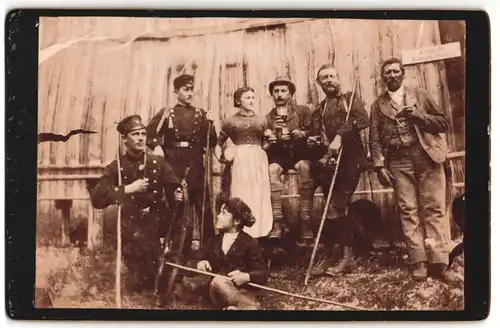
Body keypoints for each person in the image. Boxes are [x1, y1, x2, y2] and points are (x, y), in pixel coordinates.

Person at [369, 58, 456, 282]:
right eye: (387, 72)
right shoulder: (378, 105)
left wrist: (419, 117)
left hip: (426, 156)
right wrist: (379, 165)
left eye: (396, 71)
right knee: (408, 210)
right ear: (383, 77)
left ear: (403, 74)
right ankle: (418, 261)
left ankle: (441, 263)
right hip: (398, 162)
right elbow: (375, 140)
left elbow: (444, 123)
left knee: (434, 208)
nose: (392, 76)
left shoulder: (421, 95)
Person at [90, 115, 184, 293]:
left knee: (159, 278)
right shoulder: (115, 167)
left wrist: (178, 195)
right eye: (135, 134)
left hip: (156, 228)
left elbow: (175, 188)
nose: (141, 138)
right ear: (125, 139)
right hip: (130, 229)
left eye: (143, 133)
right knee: (136, 281)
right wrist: (128, 189)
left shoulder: (157, 162)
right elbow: (97, 199)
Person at [307, 64, 370, 276]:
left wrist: (340, 136)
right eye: (324, 78)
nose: (329, 80)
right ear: (319, 83)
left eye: (332, 76)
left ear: (338, 78)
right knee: (335, 209)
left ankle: (345, 257)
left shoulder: (349, 99)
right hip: (329, 165)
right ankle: (338, 255)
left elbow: (363, 120)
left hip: (350, 162)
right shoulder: (319, 109)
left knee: (335, 206)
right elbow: (316, 138)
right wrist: (313, 140)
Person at [146, 74, 217, 249]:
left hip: (194, 163)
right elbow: (150, 133)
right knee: (175, 204)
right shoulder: (166, 113)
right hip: (173, 163)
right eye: (186, 89)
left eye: (192, 89)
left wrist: (211, 123)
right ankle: (176, 248)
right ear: (176, 92)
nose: (190, 93)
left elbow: (211, 141)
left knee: (202, 205)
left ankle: (208, 250)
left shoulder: (200, 114)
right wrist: (157, 147)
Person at [214, 87, 273, 240]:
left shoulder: (262, 120)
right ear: (238, 100)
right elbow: (218, 144)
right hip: (240, 161)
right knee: (241, 192)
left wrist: (270, 142)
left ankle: (259, 233)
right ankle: (241, 234)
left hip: (258, 160)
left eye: (253, 97)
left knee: (260, 195)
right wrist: (222, 158)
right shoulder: (230, 121)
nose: (251, 100)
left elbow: (266, 144)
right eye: (247, 98)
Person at [264, 76, 315, 248]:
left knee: (305, 167)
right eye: (276, 91)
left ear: (291, 93)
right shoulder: (268, 117)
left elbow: (312, 129)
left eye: (283, 91)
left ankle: (305, 221)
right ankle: (277, 221)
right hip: (279, 154)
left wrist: (303, 133)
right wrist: (272, 134)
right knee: (271, 170)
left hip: (298, 151)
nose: (279, 94)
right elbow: (265, 140)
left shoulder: (302, 111)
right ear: (272, 94)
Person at [193, 195, 269, 310]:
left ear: (237, 221)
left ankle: (233, 308)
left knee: (239, 298)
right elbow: (198, 257)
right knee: (218, 281)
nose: (218, 216)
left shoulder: (249, 243)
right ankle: (248, 308)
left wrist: (247, 276)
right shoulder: (214, 241)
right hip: (218, 291)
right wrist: (201, 261)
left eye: (224, 213)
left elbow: (263, 273)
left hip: (242, 291)